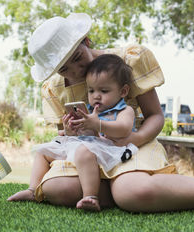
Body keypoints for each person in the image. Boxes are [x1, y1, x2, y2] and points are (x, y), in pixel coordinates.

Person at [8, 13, 194, 212]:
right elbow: (68, 135)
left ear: (86, 40)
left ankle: (128, 189)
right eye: (64, 69)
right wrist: (70, 130)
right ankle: (119, 188)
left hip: (132, 142)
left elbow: (155, 115)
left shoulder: (125, 62)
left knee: (136, 191)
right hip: (90, 149)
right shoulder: (55, 88)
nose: (76, 71)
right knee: (57, 188)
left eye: (77, 58)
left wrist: (135, 139)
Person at [9, 54, 138, 211]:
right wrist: (71, 130)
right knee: (43, 152)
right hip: (89, 146)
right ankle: (33, 190)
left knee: (84, 152)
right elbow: (89, 135)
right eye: (91, 91)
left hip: (111, 148)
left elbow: (123, 129)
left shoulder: (125, 110)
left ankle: (90, 196)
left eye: (104, 91)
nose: (96, 96)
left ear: (123, 91)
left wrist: (97, 124)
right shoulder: (90, 111)